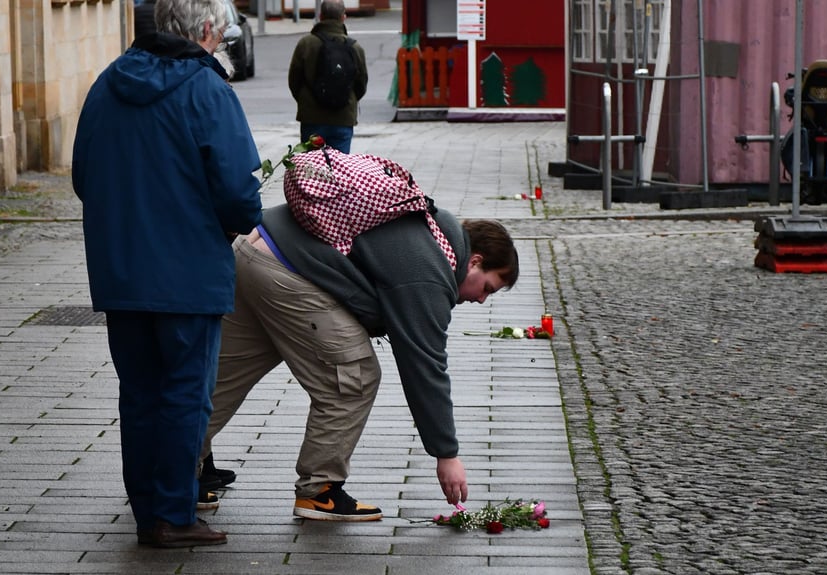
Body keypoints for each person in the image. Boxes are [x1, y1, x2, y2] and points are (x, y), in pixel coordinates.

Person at [71, 0, 263, 548]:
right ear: (205, 29)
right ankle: (174, 515)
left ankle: (147, 512)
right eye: (221, 31)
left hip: (121, 272)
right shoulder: (207, 90)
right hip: (189, 273)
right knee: (185, 393)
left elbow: (84, 176)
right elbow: (237, 195)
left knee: (139, 394)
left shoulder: (107, 83)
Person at [200, 205, 519, 521]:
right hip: (286, 271)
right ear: (474, 261)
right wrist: (446, 454)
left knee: (220, 378)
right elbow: (424, 365)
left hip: (252, 247)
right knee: (354, 377)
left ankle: (176, 474)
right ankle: (319, 492)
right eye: (488, 288)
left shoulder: (430, 225)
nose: (481, 300)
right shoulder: (432, 270)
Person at [288, 0, 368, 153]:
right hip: (343, 118)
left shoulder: (306, 44)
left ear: (320, 16)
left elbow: (294, 81)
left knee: (312, 169)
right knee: (338, 169)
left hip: (312, 117)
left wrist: (306, 101)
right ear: (343, 17)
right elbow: (361, 84)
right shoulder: (355, 48)